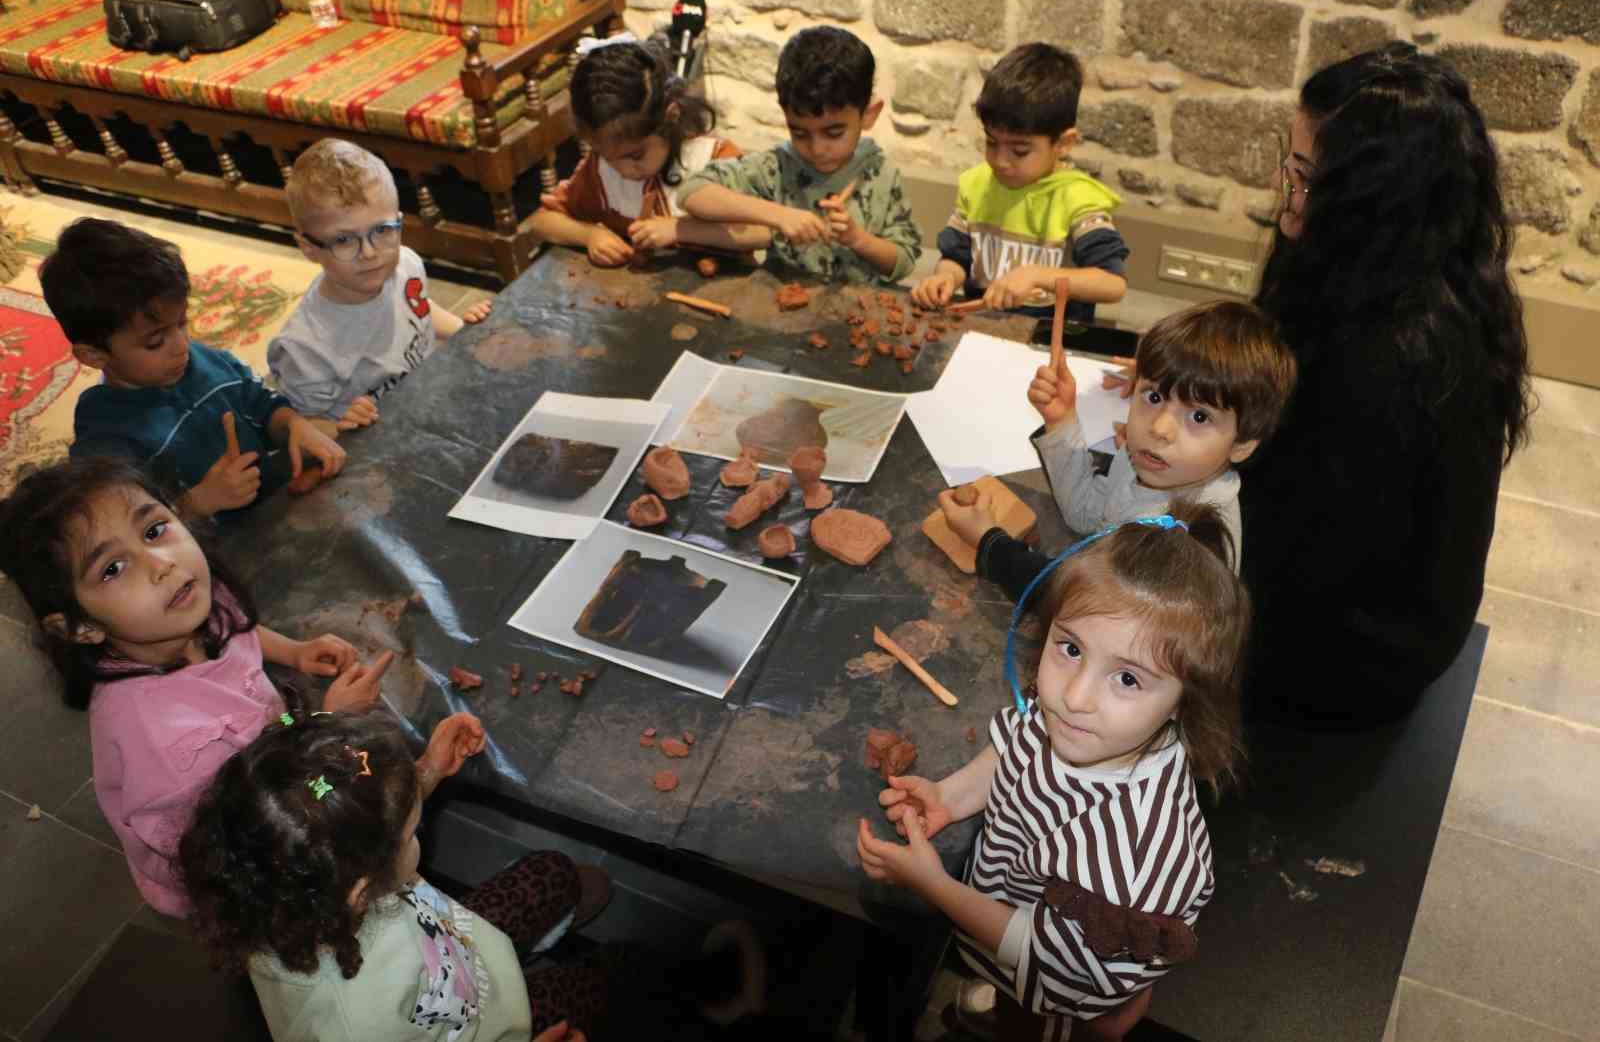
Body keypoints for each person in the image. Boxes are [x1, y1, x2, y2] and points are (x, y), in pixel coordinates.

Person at [858, 506, 1248, 1042]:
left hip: (1057, 979)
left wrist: (933, 885)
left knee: (1038, 1020)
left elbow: (1052, 963)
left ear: (1185, 702)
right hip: (1010, 904)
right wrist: (951, 796)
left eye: (1128, 679)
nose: (1075, 696)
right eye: (1070, 648)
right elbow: (1013, 748)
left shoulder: (1131, 859)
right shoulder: (1085, 720)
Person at [1239, 43, 1531, 727]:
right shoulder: (1372, 265)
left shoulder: (1395, 355)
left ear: (1369, 203)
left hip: (1354, 658)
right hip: (1343, 592)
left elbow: (1299, 555)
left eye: (1308, 178)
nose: (1288, 200)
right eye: (1292, 165)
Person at [180, 710, 766, 1041]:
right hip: (491, 1024)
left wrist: (424, 774)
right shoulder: (357, 1026)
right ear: (361, 887)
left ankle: (558, 918)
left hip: (453, 950)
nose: (419, 831)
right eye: (411, 830)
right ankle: (683, 990)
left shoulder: (279, 882)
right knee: (610, 984)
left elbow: (356, 827)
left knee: (551, 873)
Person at [0, 458, 393, 916]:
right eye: (112, 568)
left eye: (153, 531)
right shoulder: (175, 748)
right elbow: (259, 819)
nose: (161, 564)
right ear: (81, 627)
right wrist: (332, 723)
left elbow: (234, 630)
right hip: (241, 858)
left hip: (267, 762)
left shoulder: (183, 607)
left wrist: (292, 651)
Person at [944, 299, 1295, 582]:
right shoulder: (1150, 461)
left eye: (1199, 417)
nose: (1160, 428)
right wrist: (1062, 421)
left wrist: (991, 546)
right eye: (1153, 397)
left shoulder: (1189, 543)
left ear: (1243, 444)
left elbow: (1080, 604)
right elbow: (1087, 515)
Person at [41, 219, 345, 519]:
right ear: (93, 355)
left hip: (276, 512)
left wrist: (293, 425)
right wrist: (198, 503)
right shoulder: (105, 435)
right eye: (155, 341)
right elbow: (119, 526)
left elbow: (261, 404)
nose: (182, 345)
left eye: (182, 323)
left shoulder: (205, 361)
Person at [268, 139, 492, 434]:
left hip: (427, 401)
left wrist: (464, 331)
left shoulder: (405, 264)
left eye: (382, 230)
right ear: (308, 247)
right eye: (344, 240)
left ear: (399, 223)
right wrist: (339, 426)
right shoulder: (304, 349)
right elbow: (303, 430)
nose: (370, 253)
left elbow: (418, 307)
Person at [678, 25, 922, 284]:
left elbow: (904, 261)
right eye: (800, 133)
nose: (816, 149)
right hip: (781, 308)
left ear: (868, 115)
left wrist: (858, 239)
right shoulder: (775, 168)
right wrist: (778, 215)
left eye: (834, 133)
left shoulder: (880, 173)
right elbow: (692, 192)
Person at [910, 43, 1129, 326]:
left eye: (1020, 151)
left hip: (1050, 337)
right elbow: (956, 258)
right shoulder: (977, 186)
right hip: (981, 326)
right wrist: (945, 277)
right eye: (991, 142)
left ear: (1063, 143)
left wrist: (1039, 276)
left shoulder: (1079, 199)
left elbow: (1112, 284)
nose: (1000, 161)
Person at [531, 34, 769, 267]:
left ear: (671, 117)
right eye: (609, 158)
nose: (623, 171)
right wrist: (589, 235)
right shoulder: (601, 169)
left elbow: (764, 232)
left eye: (635, 156)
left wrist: (679, 230)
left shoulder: (714, 160)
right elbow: (542, 222)